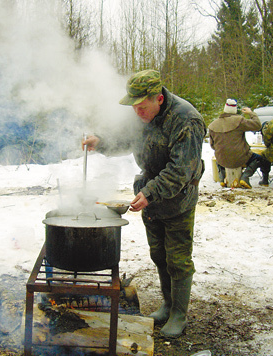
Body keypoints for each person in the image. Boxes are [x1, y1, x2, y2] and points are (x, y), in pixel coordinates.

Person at [83, 69, 206, 338]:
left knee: (178, 259)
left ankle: (178, 315)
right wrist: (100, 142)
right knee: (158, 254)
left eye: (141, 106)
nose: (137, 112)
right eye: (134, 107)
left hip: (177, 198)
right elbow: (127, 140)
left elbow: (181, 171)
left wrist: (150, 192)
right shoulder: (142, 115)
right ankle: (167, 304)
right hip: (150, 196)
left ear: (158, 98)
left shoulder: (186, 120)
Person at [208, 99, 262, 188]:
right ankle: (245, 177)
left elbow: (212, 145)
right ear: (235, 109)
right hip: (240, 158)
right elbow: (257, 125)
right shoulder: (239, 121)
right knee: (258, 158)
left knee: (219, 156)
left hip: (222, 159)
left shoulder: (213, 125)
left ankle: (222, 178)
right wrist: (250, 113)